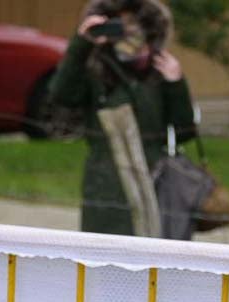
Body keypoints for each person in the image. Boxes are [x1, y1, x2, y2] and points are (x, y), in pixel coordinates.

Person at [48, 0, 197, 236]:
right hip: (106, 188)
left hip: (156, 185)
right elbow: (61, 95)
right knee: (106, 261)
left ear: (150, 30)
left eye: (135, 25)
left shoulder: (159, 72)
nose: (128, 33)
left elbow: (185, 131)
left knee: (156, 263)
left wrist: (176, 84)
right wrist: (82, 43)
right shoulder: (96, 71)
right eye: (119, 25)